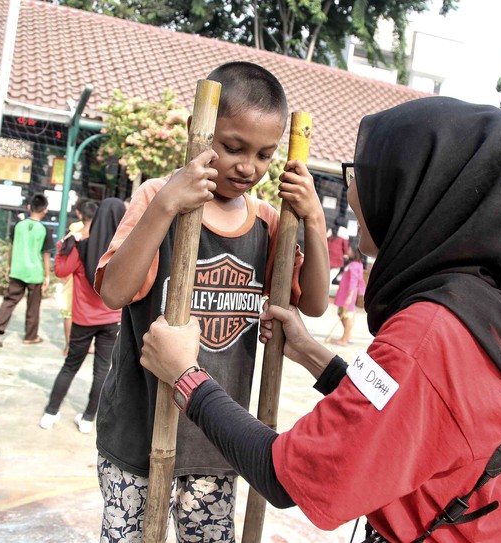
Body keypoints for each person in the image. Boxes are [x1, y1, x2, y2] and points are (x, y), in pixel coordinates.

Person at [139, 96, 501, 542]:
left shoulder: (430, 332)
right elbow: (411, 413)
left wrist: (184, 375)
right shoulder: (499, 305)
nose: (353, 194)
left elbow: (284, 474)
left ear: (420, 196)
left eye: (370, 178)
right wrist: (315, 356)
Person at [94, 61, 330, 541]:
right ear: (199, 131)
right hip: (138, 437)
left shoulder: (269, 223)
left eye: (265, 154)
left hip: (216, 441)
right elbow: (114, 292)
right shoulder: (158, 196)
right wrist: (167, 205)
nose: (248, 167)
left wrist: (314, 221)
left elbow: (317, 304)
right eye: (232, 147)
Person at [40, 198, 126, 433]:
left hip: (83, 319)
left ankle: (51, 412)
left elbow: (60, 271)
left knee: (70, 366)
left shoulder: (81, 246)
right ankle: (88, 419)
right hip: (112, 319)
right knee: (101, 370)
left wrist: (63, 247)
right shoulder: (124, 253)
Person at [0, 193, 55, 347]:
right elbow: (46, 254)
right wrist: (47, 275)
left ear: (28, 207)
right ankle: (30, 336)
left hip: (18, 269)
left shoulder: (18, 226)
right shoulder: (44, 230)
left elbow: (12, 247)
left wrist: (9, 265)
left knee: (9, 301)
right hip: (35, 273)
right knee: (33, 306)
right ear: (45, 210)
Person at [59, 197, 98, 355]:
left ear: (80, 214)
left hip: (73, 278)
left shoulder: (75, 231)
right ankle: (88, 345)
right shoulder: (100, 235)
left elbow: (64, 261)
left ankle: (69, 345)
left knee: (69, 312)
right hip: (90, 279)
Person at [330, 245, 366, 346]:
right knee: (347, 314)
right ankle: (347, 335)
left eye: (350, 249)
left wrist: (350, 296)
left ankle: (344, 339)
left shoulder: (354, 265)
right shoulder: (358, 264)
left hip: (347, 293)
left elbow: (354, 281)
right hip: (348, 293)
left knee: (346, 315)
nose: (348, 250)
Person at [327, 215, 350, 284]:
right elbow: (345, 246)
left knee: (327, 276)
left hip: (328, 256)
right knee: (330, 278)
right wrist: (346, 254)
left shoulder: (331, 230)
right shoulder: (344, 231)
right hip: (338, 258)